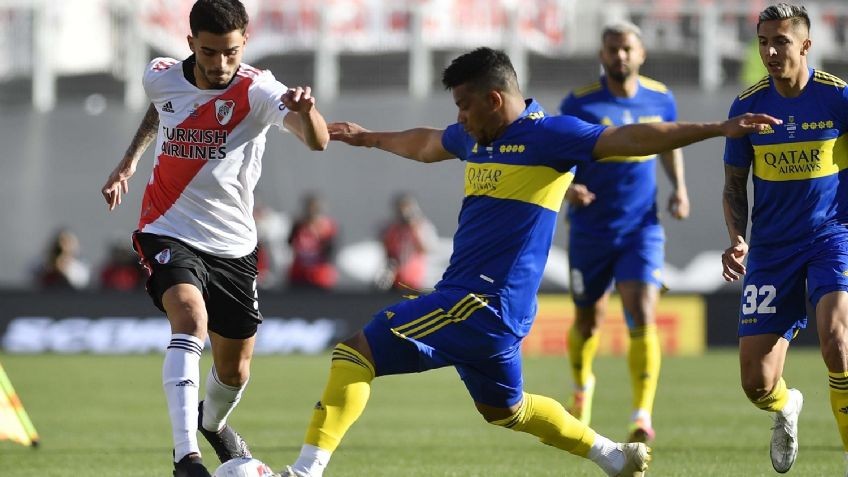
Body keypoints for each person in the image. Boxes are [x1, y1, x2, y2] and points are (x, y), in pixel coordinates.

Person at [270, 47, 778, 477]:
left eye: (465, 105)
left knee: (355, 352)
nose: (460, 117)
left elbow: (632, 138)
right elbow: (426, 143)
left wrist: (719, 127)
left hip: (479, 301)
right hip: (494, 311)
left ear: (494, 99)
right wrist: (369, 137)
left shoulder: (550, 136)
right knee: (506, 410)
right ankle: (613, 456)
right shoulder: (477, 137)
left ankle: (306, 470)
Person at [100, 1, 329, 476]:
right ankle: (186, 457)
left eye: (231, 52)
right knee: (190, 319)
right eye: (209, 52)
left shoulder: (259, 90)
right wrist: (130, 161)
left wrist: (307, 114)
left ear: (244, 43)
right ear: (191, 44)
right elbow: (161, 108)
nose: (221, 63)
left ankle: (213, 422)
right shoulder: (160, 75)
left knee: (234, 371)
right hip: (167, 226)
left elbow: (317, 141)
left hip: (233, 245)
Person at [721, 4, 848, 474]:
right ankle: (786, 405)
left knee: (837, 340)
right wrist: (738, 239)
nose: (771, 52)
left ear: (806, 44)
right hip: (772, 250)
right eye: (763, 42)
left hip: (831, 237)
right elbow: (734, 186)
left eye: (781, 41)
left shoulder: (838, 98)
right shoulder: (747, 107)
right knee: (756, 384)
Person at [558, 21, 688, 443]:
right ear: (602, 55)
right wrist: (569, 187)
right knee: (588, 322)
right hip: (591, 230)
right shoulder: (579, 102)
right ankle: (582, 387)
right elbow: (558, 154)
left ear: (641, 53)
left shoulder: (661, 98)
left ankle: (641, 415)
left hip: (641, 229)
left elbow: (668, 143)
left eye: (627, 48)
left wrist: (679, 189)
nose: (620, 56)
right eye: (612, 49)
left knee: (643, 311)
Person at [376, 192, 437, 291]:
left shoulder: (422, 227)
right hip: (396, 282)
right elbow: (389, 253)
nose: (404, 213)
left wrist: (414, 228)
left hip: (417, 281)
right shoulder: (392, 229)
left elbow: (426, 248)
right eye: (401, 209)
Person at [287, 193, 338, 290]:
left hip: (320, 276)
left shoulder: (328, 228)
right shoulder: (298, 226)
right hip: (299, 274)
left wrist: (320, 235)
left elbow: (330, 252)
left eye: (316, 210)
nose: (313, 214)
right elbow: (290, 243)